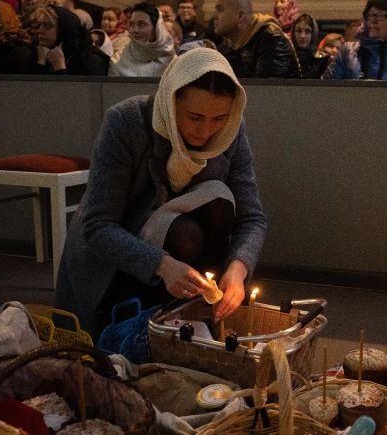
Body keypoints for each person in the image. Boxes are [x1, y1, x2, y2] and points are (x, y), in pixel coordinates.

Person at [55, 47, 267, 339]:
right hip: (120, 261)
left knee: (219, 202)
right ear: (171, 99)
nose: (206, 131)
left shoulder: (230, 130)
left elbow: (251, 217)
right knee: (185, 232)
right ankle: (147, 323)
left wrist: (238, 268)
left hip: (190, 250)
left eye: (219, 118)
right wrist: (161, 265)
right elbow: (97, 227)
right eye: (194, 117)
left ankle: (197, 314)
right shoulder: (127, 122)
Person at [213, 0, 299, 78]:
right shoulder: (227, 44)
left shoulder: (272, 39)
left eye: (220, 9)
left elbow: (264, 90)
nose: (214, 15)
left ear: (240, 16)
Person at [31, 5, 109, 75]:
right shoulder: (42, 50)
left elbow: (83, 91)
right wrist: (41, 62)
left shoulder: (93, 61)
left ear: (63, 29)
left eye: (47, 26)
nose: (40, 31)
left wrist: (60, 68)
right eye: (39, 25)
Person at [109, 2, 175, 77]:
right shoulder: (118, 60)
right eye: (132, 24)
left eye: (142, 24)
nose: (135, 30)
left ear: (157, 28)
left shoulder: (172, 60)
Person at [292, 13, 329, 78]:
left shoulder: (323, 60)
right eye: (299, 31)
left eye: (307, 31)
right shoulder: (286, 58)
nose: (302, 36)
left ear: (314, 34)